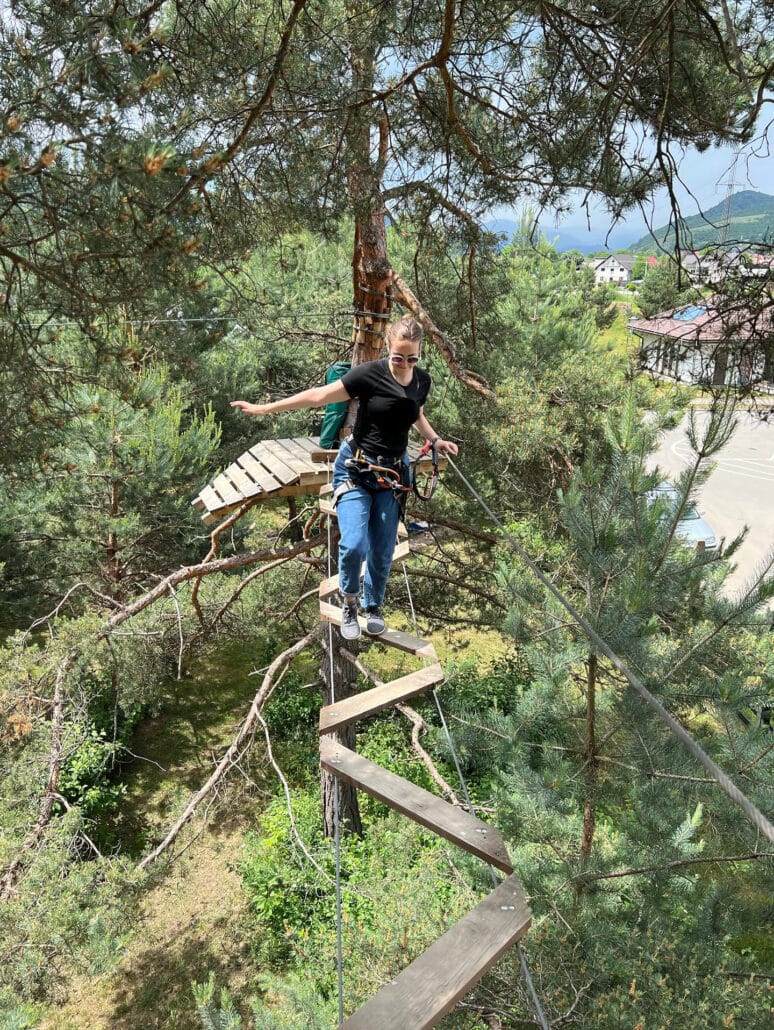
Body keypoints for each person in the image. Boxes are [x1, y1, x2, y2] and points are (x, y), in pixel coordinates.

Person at [230, 315, 458, 640]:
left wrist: (434, 439)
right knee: (354, 545)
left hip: (393, 475)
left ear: (419, 354)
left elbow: (415, 413)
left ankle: (373, 604)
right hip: (357, 468)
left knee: (381, 550)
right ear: (388, 350)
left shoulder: (421, 381)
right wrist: (266, 409)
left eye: (412, 358)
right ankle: (350, 600)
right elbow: (318, 396)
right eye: (398, 357)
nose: (404, 364)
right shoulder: (369, 375)